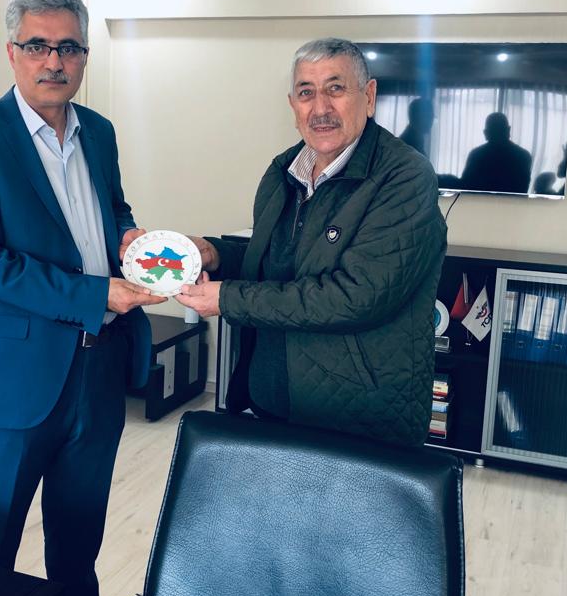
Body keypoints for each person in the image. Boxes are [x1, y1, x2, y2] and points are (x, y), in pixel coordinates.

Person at [0, 0, 164, 596]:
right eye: (38, 45)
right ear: (12, 52)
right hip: (15, 381)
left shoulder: (100, 132)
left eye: (68, 47)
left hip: (98, 371)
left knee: (78, 544)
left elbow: (111, 210)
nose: (54, 61)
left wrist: (130, 241)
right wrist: (97, 293)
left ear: (84, 56)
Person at [178, 38, 447, 447]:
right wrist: (216, 254)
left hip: (356, 417)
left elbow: (356, 296)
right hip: (272, 398)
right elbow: (280, 261)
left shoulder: (405, 177)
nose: (320, 108)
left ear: (369, 96)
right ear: (293, 105)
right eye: (306, 93)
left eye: (335, 88)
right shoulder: (283, 170)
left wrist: (227, 298)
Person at [459, 111, 533, 194]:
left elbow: (466, 187)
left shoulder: (476, 155)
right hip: (512, 202)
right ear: (508, 130)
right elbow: (522, 190)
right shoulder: (523, 156)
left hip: (479, 201)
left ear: (486, 133)